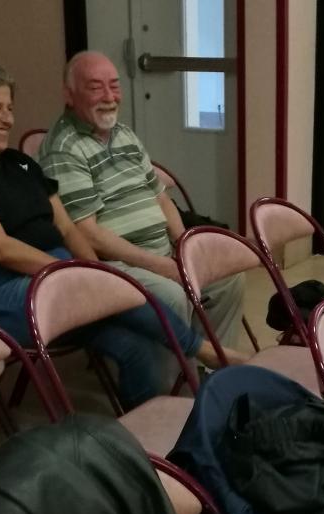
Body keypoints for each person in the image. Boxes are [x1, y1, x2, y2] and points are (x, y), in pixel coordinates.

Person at [0, 63, 244, 409]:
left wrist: (94, 270)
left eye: (10, 108)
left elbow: (66, 227)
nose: (8, 119)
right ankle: (204, 351)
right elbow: (0, 249)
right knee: (125, 292)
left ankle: (155, 437)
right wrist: (79, 276)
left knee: (141, 347)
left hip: (58, 276)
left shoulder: (19, 164)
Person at [37, 50, 245, 344]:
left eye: (115, 85)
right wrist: (157, 264)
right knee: (173, 295)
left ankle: (212, 373)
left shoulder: (124, 135)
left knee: (227, 279)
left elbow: (161, 198)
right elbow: (88, 234)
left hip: (158, 252)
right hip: (116, 263)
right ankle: (180, 382)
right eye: (95, 87)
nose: (109, 96)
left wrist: (185, 247)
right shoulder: (65, 148)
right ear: (69, 95)